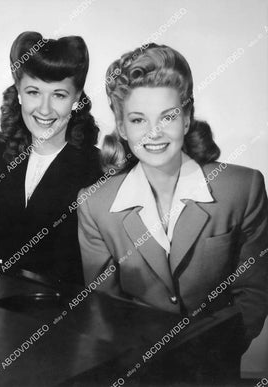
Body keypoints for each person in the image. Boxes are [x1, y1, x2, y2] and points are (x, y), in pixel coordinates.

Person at [78, 43, 268, 381]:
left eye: (167, 116)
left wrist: (215, 351)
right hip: (136, 371)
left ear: (187, 117)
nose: (154, 133)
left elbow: (254, 291)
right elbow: (105, 309)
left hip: (214, 369)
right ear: (122, 128)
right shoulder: (95, 205)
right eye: (138, 120)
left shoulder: (241, 188)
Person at [0, 31, 102, 285]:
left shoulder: (95, 167)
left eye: (59, 95)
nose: (44, 109)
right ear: (18, 93)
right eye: (33, 92)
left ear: (76, 98)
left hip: (58, 312)